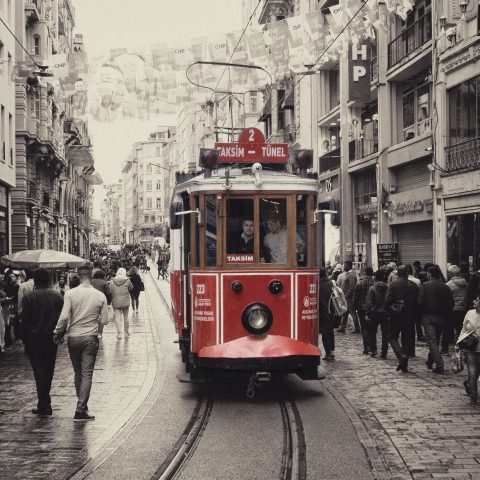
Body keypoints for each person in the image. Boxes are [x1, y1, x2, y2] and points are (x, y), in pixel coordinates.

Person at [53, 264, 108, 422]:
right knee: (87, 374)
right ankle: (80, 409)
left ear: (78, 274)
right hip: (90, 337)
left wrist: (57, 331)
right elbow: (105, 320)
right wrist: (94, 318)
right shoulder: (100, 296)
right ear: (91, 275)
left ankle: (81, 406)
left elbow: (64, 317)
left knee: (78, 373)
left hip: (73, 337)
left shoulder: (70, 294)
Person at [21, 268, 64, 416]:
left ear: (35, 280)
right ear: (49, 280)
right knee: (48, 369)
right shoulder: (57, 297)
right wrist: (60, 334)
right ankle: (44, 402)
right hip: (51, 339)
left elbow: (24, 321)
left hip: (34, 339)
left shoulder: (29, 297)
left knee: (38, 371)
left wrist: (24, 340)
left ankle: (44, 404)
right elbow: (62, 319)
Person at [418, 265, 454, 373]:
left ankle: (439, 364)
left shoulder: (424, 286)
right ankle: (430, 361)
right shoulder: (445, 286)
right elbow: (451, 303)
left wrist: (420, 314)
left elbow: (419, 302)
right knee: (435, 339)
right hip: (441, 317)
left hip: (428, 316)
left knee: (432, 340)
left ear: (429, 274)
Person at [385, 265, 419, 373]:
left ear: (397, 273)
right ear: (407, 273)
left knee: (391, 336)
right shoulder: (414, 285)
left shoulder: (393, 284)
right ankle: (404, 359)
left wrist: (390, 312)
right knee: (407, 339)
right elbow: (418, 302)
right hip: (411, 316)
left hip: (397, 315)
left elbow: (387, 301)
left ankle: (401, 357)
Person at [456, 295, 480, 404]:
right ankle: (473, 396)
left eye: (477, 300)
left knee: (476, 372)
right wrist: (458, 342)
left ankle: (468, 383)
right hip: (470, 348)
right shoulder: (470, 313)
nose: (474, 301)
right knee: (472, 372)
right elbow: (464, 329)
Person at [444, 265, 468, 354]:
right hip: (462, 308)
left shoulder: (448, 285)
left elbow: (446, 298)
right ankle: (464, 348)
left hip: (452, 309)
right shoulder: (465, 282)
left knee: (447, 329)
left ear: (450, 274)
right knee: (461, 330)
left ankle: (445, 349)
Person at [366, 269, 389, 358]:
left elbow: (369, 303)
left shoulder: (372, 289)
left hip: (375, 313)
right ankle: (384, 352)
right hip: (385, 313)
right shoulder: (388, 287)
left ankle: (374, 350)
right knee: (385, 334)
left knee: (372, 332)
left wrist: (368, 314)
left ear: (375, 277)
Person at [353, 267, 375, 354]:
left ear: (365, 273)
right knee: (372, 328)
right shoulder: (375, 283)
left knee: (364, 327)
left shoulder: (359, 283)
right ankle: (372, 346)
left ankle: (366, 347)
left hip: (362, 308)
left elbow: (355, 297)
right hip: (373, 307)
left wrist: (355, 307)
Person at [109, 267, 133, 339]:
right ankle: (126, 332)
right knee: (126, 316)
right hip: (125, 300)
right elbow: (131, 288)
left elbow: (110, 290)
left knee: (117, 317)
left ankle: (119, 333)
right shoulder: (127, 280)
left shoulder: (112, 281)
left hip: (115, 300)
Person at [336, 261, 359, 334]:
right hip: (347, 297)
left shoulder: (351, 275)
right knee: (345, 313)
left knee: (353, 314)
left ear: (349, 266)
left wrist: (347, 296)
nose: (344, 267)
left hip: (349, 298)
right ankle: (342, 327)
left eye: (345, 266)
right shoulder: (350, 274)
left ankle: (357, 328)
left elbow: (352, 288)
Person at [319, 266, 337, 361]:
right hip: (332, 311)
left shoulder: (318, 284)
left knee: (325, 333)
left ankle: (328, 353)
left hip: (323, 312)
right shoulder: (331, 282)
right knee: (331, 331)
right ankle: (332, 351)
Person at [92, 270, 112, 339]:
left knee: (92, 317)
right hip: (101, 301)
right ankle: (99, 333)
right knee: (101, 317)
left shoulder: (91, 281)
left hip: (91, 300)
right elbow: (108, 293)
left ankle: (92, 331)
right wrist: (109, 302)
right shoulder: (104, 283)